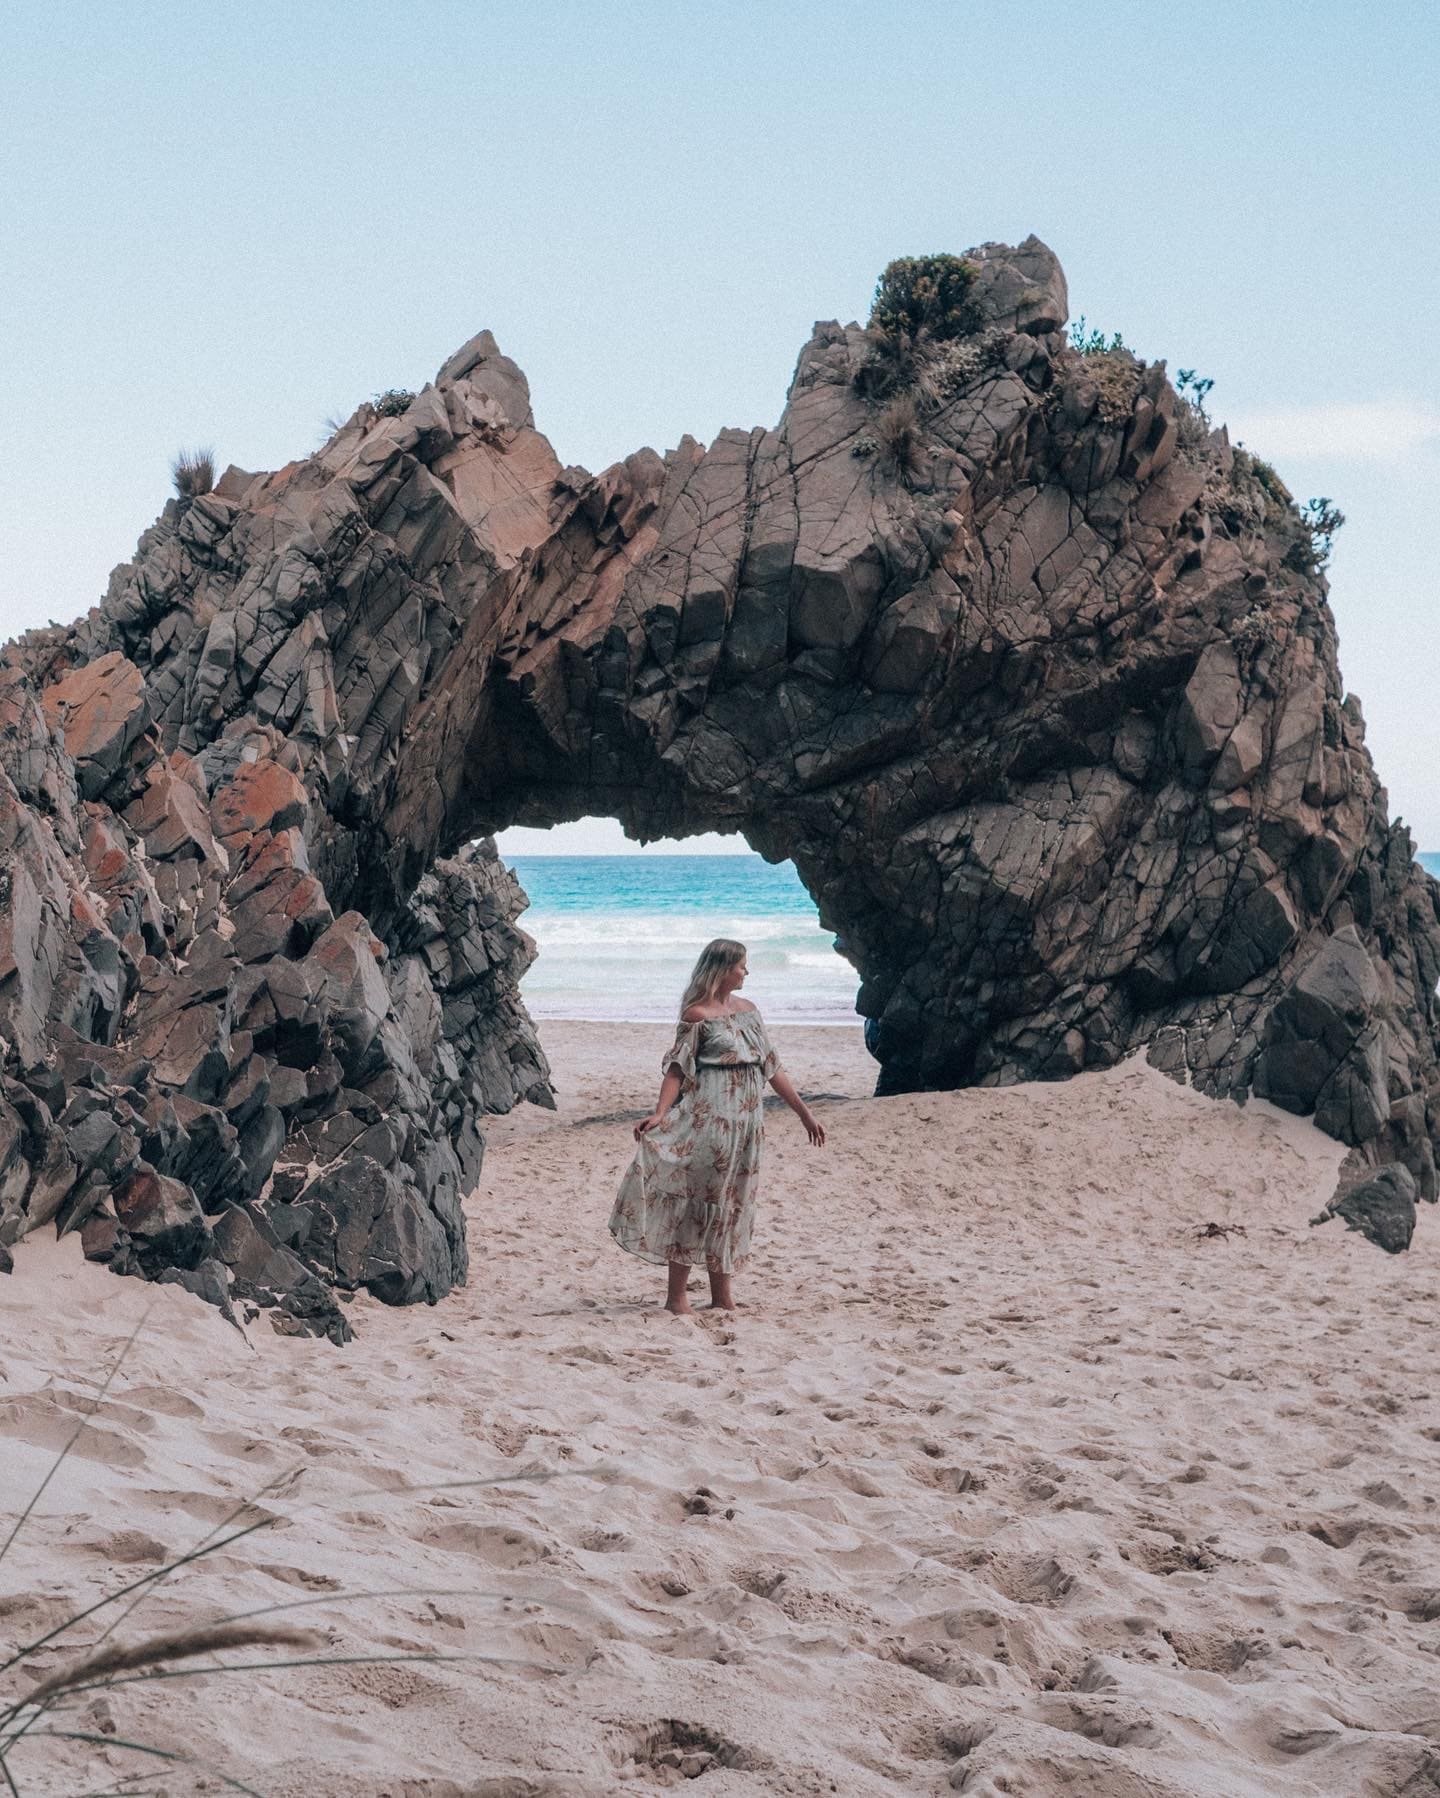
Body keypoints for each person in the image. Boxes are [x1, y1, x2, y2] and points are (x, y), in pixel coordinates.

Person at [607, 937, 826, 1313]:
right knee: (700, 1203)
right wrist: (660, 1113)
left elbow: (772, 1068)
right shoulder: (697, 1016)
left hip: (748, 1124)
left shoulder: (749, 1011)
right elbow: (677, 1069)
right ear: (723, 969)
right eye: (742, 965)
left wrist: (804, 1113)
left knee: (734, 1204)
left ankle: (721, 1296)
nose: (746, 971)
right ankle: (676, 1297)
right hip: (711, 1120)